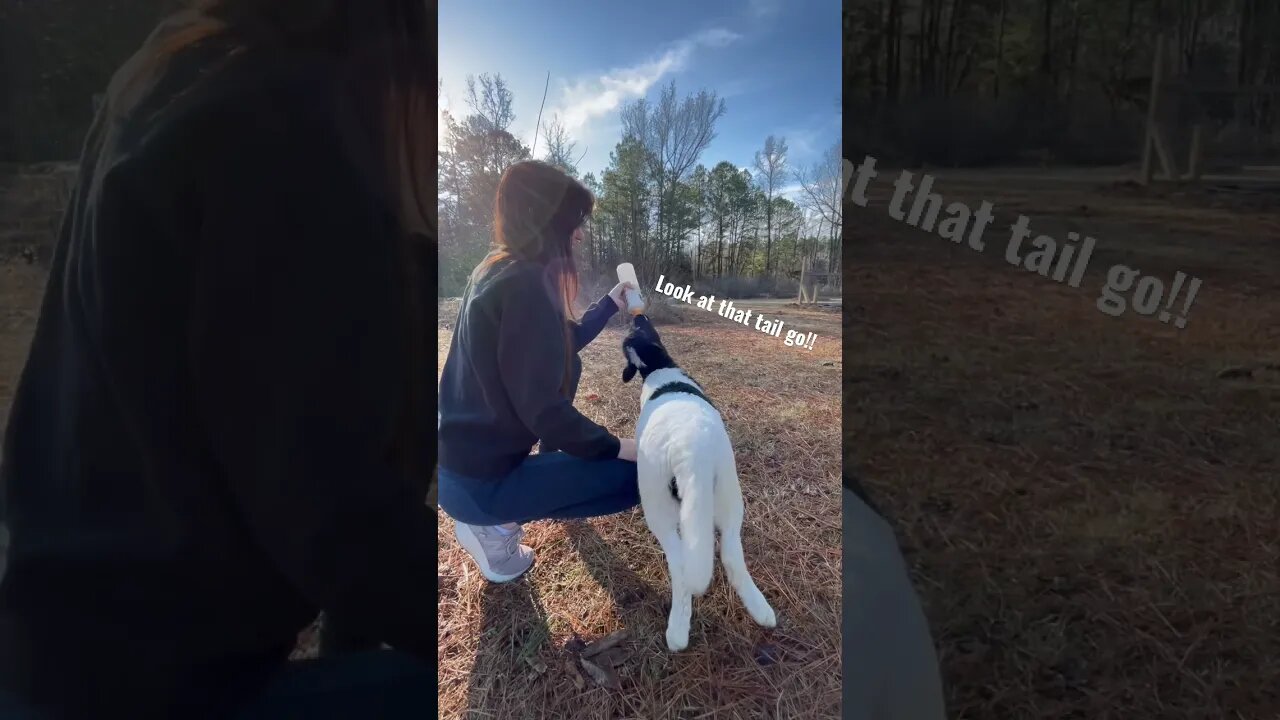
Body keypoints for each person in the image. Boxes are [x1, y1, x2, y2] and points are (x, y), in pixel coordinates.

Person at [0, 1, 436, 717]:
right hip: (145, 693)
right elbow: (337, 516)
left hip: (56, 654)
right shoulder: (286, 135)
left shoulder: (177, 64)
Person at [437, 160, 641, 583]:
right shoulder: (526, 284)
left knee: (574, 364)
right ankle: (494, 527)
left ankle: (534, 483)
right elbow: (545, 410)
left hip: (459, 469)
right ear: (549, 219)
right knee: (638, 475)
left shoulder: (494, 270)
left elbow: (557, 345)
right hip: (480, 487)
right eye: (575, 221)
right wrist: (620, 445)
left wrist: (608, 304)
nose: (580, 233)